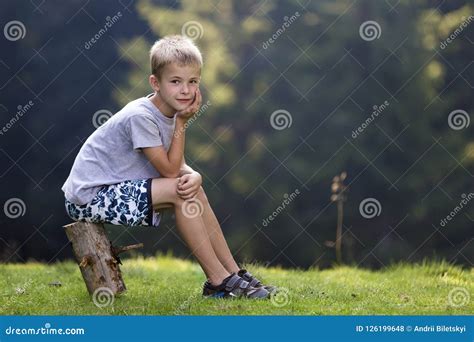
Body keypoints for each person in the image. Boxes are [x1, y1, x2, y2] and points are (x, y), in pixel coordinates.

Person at [62, 35, 276, 299]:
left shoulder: (169, 112)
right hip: (89, 197)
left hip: (115, 189)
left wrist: (194, 175)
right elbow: (170, 172)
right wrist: (183, 124)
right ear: (156, 83)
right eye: (175, 82)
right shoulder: (142, 116)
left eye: (192, 82)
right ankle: (218, 281)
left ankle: (234, 273)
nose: (185, 90)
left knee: (193, 189)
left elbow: (177, 166)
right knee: (180, 190)